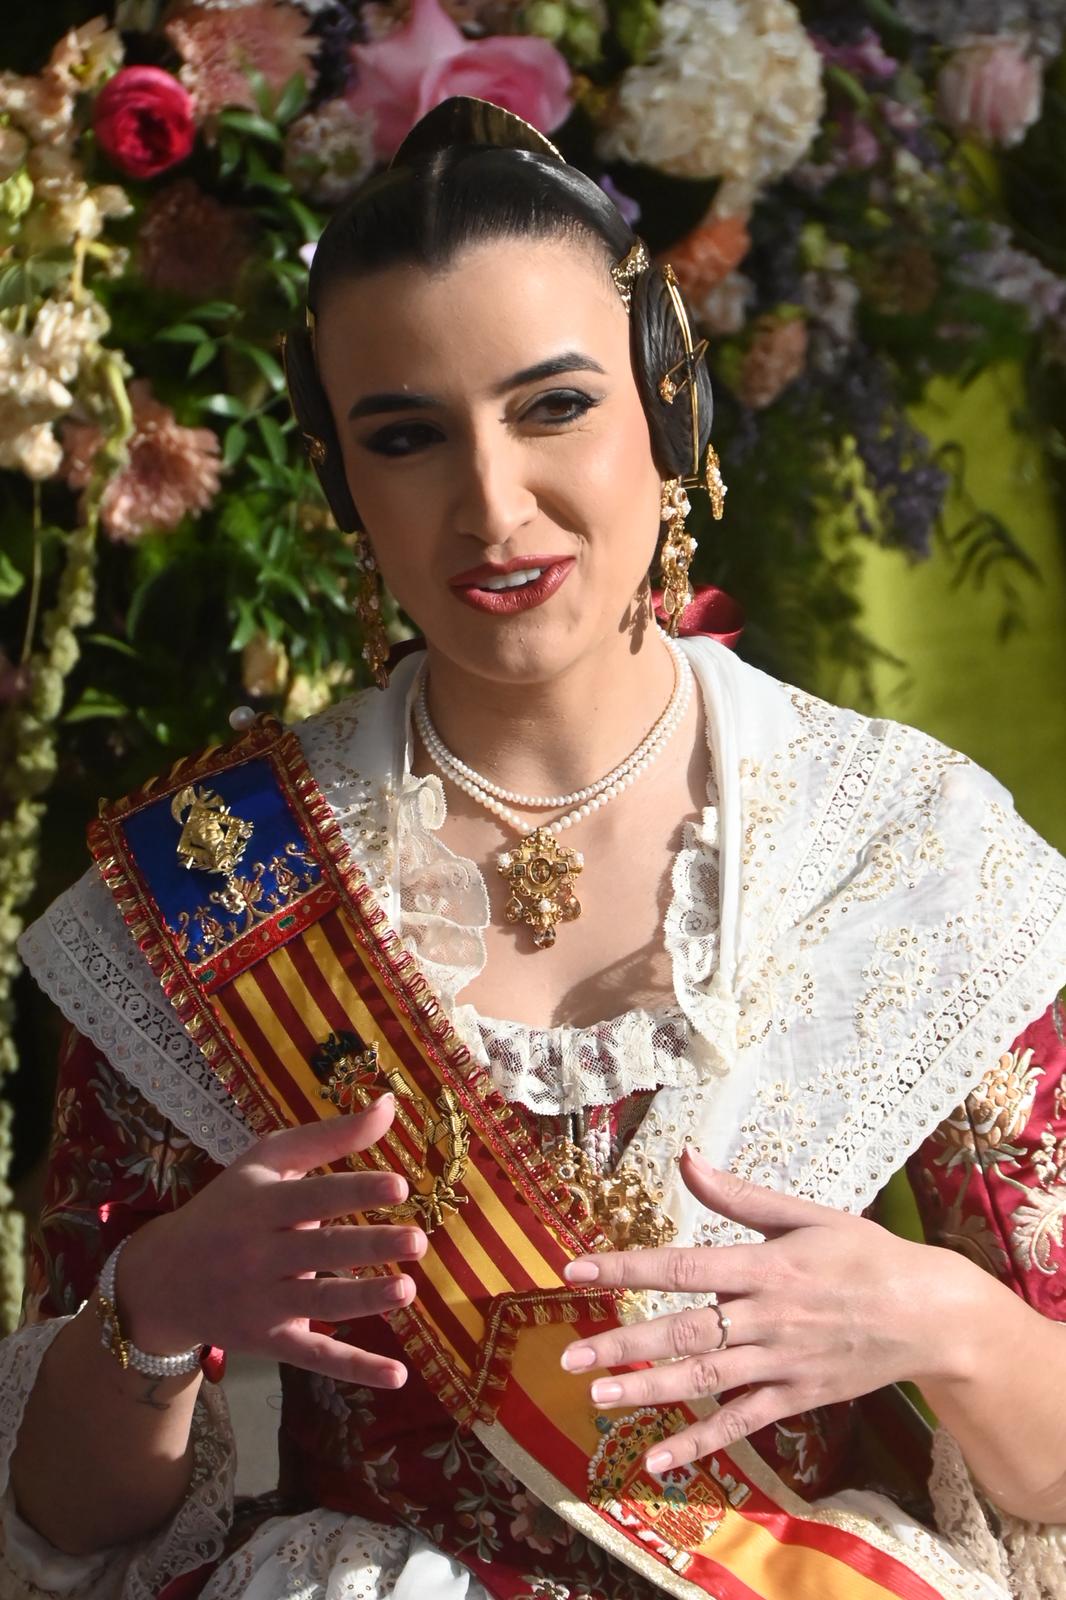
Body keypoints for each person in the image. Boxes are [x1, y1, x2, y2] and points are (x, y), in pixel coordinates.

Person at [3, 96, 1066, 1600]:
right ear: (340, 480)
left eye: (553, 406)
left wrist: (940, 1324)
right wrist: (153, 1307)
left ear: (668, 410)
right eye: (406, 437)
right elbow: (65, 1529)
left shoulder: (899, 843)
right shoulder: (208, 880)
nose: (492, 507)